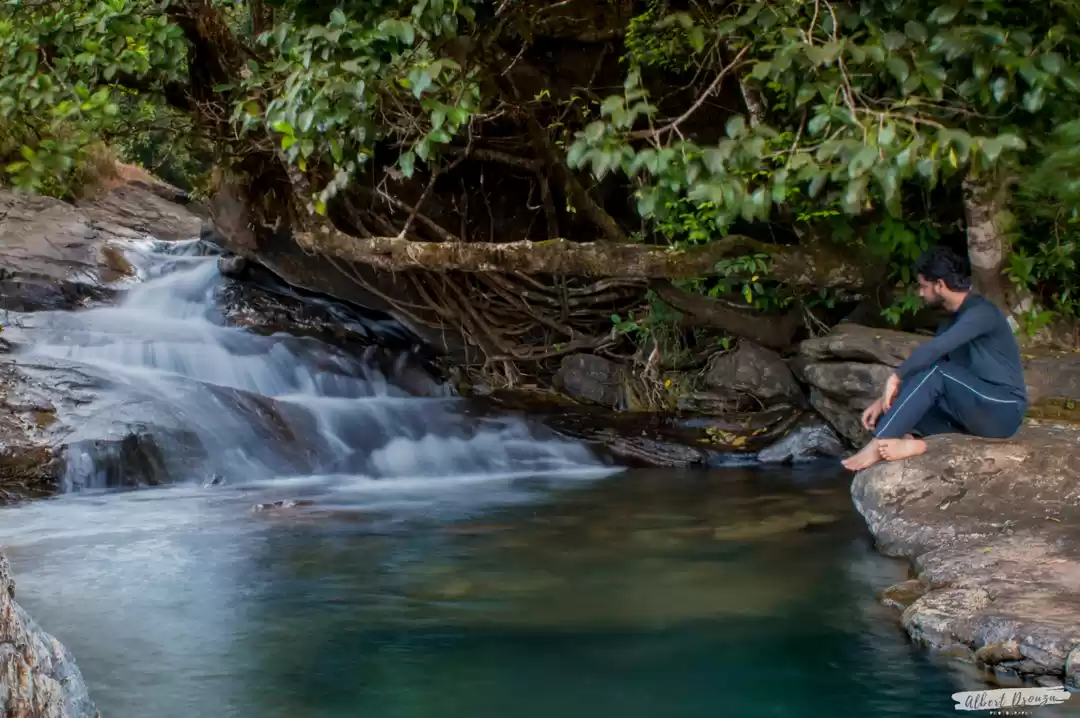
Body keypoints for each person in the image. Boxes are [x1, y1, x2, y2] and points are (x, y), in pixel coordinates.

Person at [841, 246, 1028, 471]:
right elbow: (924, 368)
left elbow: (935, 353)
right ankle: (916, 444)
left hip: (1003, 409)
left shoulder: (982, 313)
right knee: (906, 399)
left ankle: (878, 443)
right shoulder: (949, 321)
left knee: (938, 372)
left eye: (923, 286)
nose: (920, 293)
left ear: (939, 285)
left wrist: (895, 377)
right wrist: (883, 401)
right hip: (971, 410)